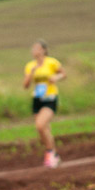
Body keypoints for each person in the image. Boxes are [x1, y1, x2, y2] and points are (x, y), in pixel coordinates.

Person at [23, 40, 66, 168]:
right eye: (33, 48)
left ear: (43, 50)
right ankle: (54, 156)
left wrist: (55, 78)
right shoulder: (30, 66)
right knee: (44, 130)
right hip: (37, 99)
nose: (34, 51)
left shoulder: (51, 62)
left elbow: (63, 74)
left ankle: (50, 152)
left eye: (37, 48)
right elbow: (25, 85)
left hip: (50, 97)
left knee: (40, 125)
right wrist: (31, 73)